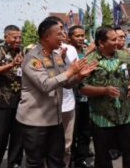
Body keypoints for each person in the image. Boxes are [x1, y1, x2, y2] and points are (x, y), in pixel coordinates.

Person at [16, 18, 96, 168]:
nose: (63, 37)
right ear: (46, 36)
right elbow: (45, 85)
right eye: (59, 34)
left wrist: (79, 76)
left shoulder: (56, 56)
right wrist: (70, 72)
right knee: (35, 162)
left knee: (56, 160)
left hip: (55, 120)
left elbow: (66, 84)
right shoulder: (32, 58)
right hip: (35, 122)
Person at [79, 26, 130, 168]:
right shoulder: (89, 60)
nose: (118, 42)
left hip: (126, 115)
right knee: (103, 158)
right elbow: (82, 88)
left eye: (118, 38)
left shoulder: (125, 55)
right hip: (102, 119)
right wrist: (103, 90)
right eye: (113, 39)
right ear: (101, 43)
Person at [45, 16, 79, 168]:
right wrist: (61, 62)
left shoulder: (70, 49)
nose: (62, 33)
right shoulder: (38, 53)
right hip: (49, 106)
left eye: (62, 30)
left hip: (68, 104)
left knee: (67, 142)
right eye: (58, 30)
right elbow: (46, 81)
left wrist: (80, 72)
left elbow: (72, 76)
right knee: (49, 143)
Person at [0, 25, 24, 168]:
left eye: (19, 37)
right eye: (14, 37)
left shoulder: (22, 51)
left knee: (18, 137)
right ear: (6, 37)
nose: (18, 40)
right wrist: (11, 65)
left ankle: (14, 163)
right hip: (2, 101)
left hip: (21, 101)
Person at [68, 26, 93, 168]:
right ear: (69, 37)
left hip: (85, 98)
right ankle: (69, 158)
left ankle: (81, 159)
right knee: (71, 133)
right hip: (70, 100)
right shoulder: (65, 54)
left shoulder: (86, 54)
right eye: (77, 36)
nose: (81, 38)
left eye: (82, 35)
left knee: (85, 131)